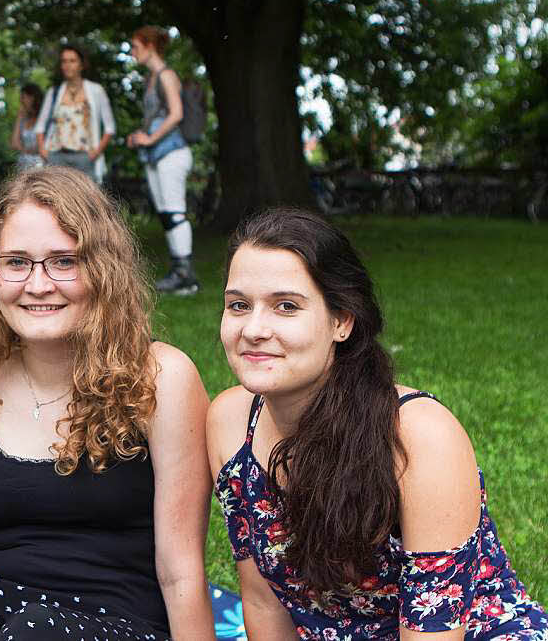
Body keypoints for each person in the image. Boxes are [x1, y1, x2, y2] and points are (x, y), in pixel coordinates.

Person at [0, 166, 216, 640]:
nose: (38, 283)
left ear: (102, 269)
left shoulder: (159, 378)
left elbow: (182, 572)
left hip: (115, 627)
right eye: (16, 262)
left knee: (37, 630)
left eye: (63, 261)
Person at [208, 207, 547, 640]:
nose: (253, 329)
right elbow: (261, 602)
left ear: (341, 321)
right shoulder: (230, 423)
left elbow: (435, 633)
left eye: (286, 306)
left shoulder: (419, 436)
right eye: (238, 305)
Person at [126, 26, 199, 296]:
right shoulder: (152, 78)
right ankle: (180, 272)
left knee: (175, 211)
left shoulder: (167, 75)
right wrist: (141, 136)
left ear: (149, 46)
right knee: (167, 213)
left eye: (135, 46)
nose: (132, 52)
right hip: (157, 155)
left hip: (172, 153)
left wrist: (150, 138)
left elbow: (176, 114)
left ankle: (185, 274)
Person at [35, 46, 115, 184]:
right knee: (56, 200)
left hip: (85, 156)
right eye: (64, 61)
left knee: (85, 201)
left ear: (82, 64)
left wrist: (96, 152)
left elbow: (110, 127)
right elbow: (40, 125)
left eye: (72, 61)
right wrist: (43, 150)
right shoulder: (54, 92)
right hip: (56, 156)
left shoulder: (96, 91)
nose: (67, 65)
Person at [10, 83, 45, 171]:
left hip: (42, 165)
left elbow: (46, 146)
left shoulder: (44, 119)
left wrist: (32, 150)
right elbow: (14, 144)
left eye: (23, 97)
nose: (21, 101)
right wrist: (18, 118)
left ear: (32, 98)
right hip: (23, 165)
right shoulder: (23, 121)